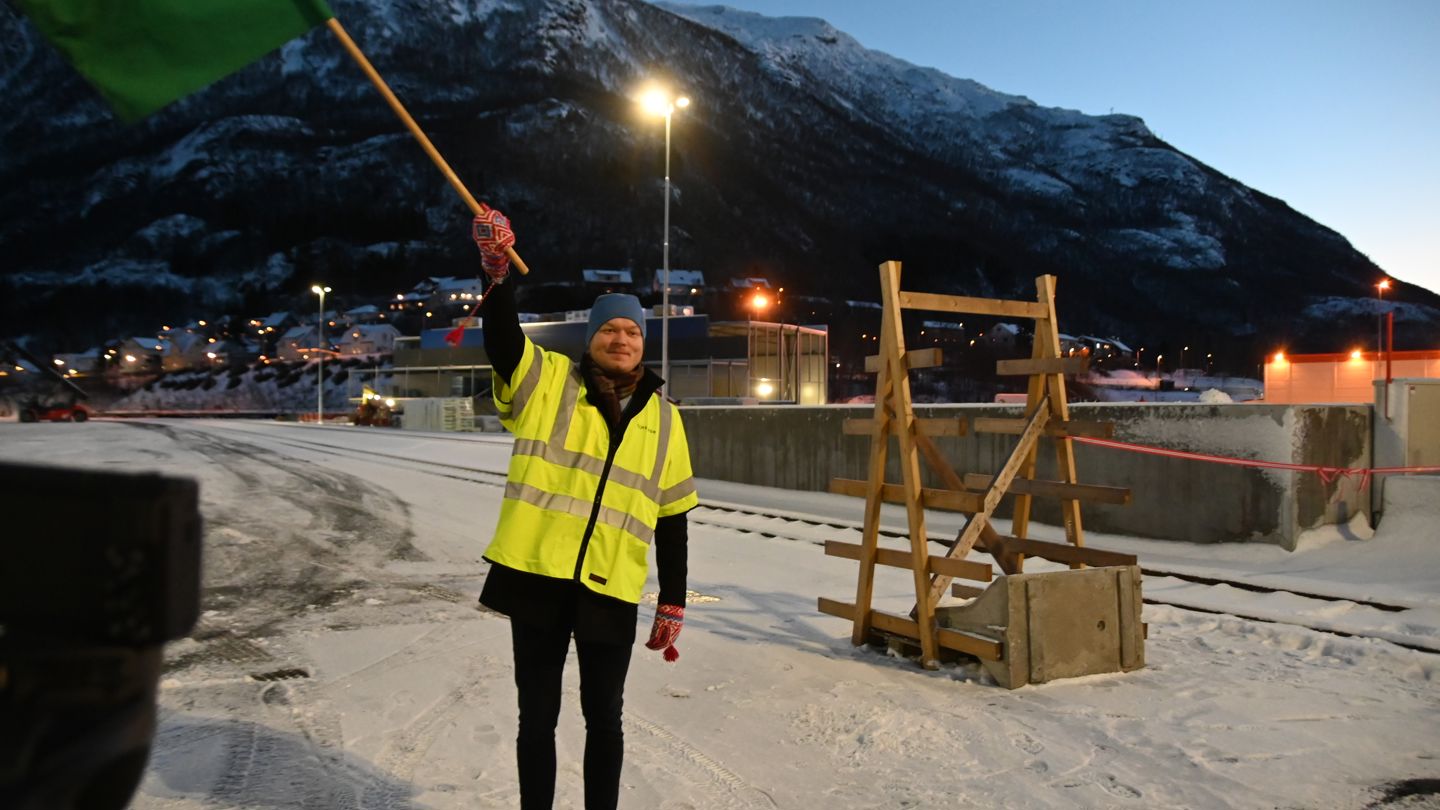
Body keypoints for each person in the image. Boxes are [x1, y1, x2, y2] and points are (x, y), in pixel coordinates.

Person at [471, 209, 698, 810]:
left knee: (605, 719)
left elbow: (672, 518)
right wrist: (497, 275)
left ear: (642, 343)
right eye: (609, 330)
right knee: (537, 718)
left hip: (610, 587)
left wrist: (673, 599)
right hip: (537, 578)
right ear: (591, 338)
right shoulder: (547, 381)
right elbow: (503, 342)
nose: (620, 340)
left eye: (631, 332)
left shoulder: (667, 420)